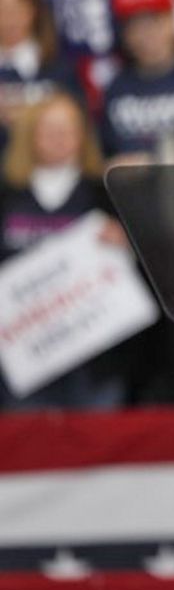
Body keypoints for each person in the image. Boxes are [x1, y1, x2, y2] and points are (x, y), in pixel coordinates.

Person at [0, 92, 128, 408]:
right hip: (22, 358)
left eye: (68, 128)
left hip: (94, 361)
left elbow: (142, 272)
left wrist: (128, 245)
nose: (59, 137)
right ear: (30, 135)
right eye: (49, 129)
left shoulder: (107, 193)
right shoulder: (6, 193)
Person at [99, 0, 174, 163]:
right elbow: (104, 156)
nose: (145, 34)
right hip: (133, 190)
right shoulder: (116, 88)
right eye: (134, 26)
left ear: (172, 22)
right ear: (125, 35)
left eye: (153, 21)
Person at [0, 0, 82, 155]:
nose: (9, 17)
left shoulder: (60, 69)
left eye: (18, 5)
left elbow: (82, 131)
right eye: (1, 7)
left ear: (33, 9)